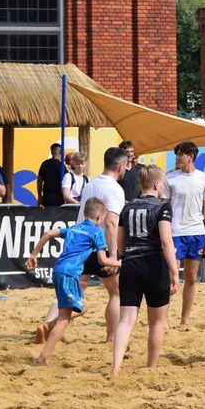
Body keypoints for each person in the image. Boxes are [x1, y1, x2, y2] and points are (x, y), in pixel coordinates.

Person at [33, 147, 127, 345]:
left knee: (76, 291)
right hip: (98, 246)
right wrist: (112, 255)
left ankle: (47, 325)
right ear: (121, 167)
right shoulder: (116, 189)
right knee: (116, 293)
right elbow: (110, 223)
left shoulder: (90, 183)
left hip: (79, 246)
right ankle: (110, 338)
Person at [26, 198, 121, 366]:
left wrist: (34, 254)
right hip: (70, 273)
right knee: (64, 318)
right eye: (103, 219)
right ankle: (42, 357)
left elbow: (49, 233)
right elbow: (103, 261)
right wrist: (121, 262)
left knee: (83, 305)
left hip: (58, 270)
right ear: (99, 216)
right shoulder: (97, 232)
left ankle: (49, 326)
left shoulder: (74, 228)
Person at [111, 166, 180, 376]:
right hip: (154, 264)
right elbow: (166, 241)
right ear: (157, 184)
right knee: (157, 322)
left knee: (125, 320)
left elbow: (120, 244)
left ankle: (116, 366)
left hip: (130, 263)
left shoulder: (127, 208)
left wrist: (129, 255)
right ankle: (150, 367)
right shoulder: (162, 208)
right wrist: (175, 271)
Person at [163, 141, 205, 326]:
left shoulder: (204, 179)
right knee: (171, 276)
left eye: (180, 154)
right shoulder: (170, 178)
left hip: (196, 232)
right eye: (176, 154)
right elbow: (164, 207)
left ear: (190, 157)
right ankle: (164, 320)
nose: (176, 157)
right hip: (175, 232)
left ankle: (185, 320)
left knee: (192, 278)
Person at [36, 142, 66, 207]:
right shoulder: (62, 166)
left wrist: (39, 196)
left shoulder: (44, 164)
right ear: (61, 152)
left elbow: (39, 181)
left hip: (47, 198)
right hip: (59, 198)